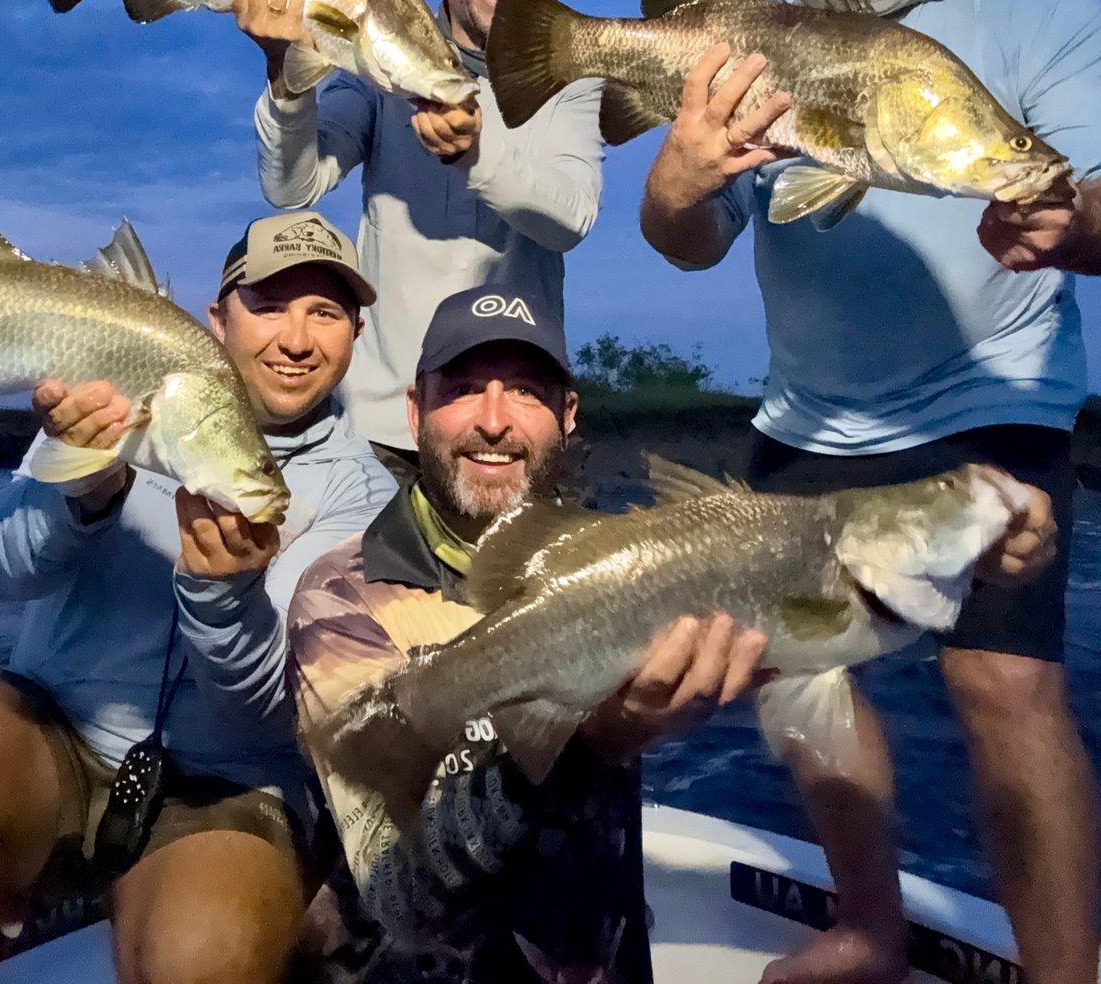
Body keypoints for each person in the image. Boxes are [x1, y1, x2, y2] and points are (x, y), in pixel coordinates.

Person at [638, 0, 1101, 984]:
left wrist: (1080, 220)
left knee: (1002, 684)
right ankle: (869, 929)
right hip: (814, 408)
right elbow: (688, 241)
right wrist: (672, 189)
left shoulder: (1044, 5)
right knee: (800, 683)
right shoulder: (749, 24)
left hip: (993, 392)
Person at [0, 212, 392, 984]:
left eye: (326, 312)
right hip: (57, 747)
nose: (297, 339)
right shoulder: (113, 387)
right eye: (269, 304)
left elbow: (280, 715)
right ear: (217, 319)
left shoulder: (364, 498)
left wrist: (226, 598)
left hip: (228, 786)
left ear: (357, 331)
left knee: (201, 962)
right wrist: (82, 494)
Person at [288, 285, 768, 981]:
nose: (493, 421)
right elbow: (403, 899)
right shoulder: (341, 598)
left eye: (525, 391)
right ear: (415, 411)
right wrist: (595, 740)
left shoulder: (624, 563)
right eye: (461, 390)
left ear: (568, 416)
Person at [241, 0, 604, 464]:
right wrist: (285, 73)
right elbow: (293, 185)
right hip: (382, 427)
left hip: (512, 420)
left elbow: (570, 218)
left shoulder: (573, 75)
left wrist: (477, 153)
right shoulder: (377, 63)